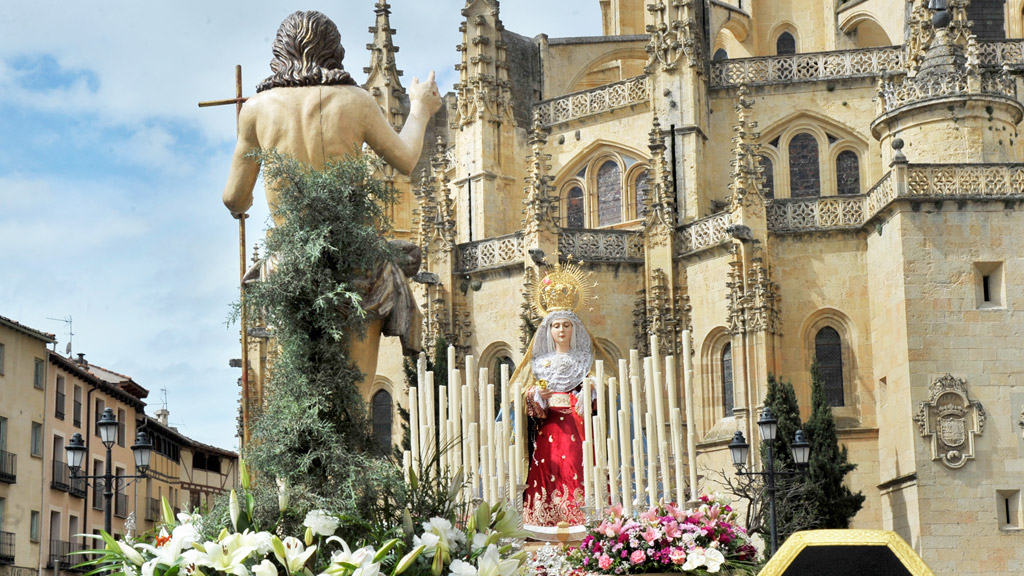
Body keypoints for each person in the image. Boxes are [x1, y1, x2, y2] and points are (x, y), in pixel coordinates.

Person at [222, 10, 442, 381]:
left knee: (300, 387)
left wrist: (248, 195)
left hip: (292, 267)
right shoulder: (355, 101)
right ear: (334, 52)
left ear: (281, 52)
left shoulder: (256, 109)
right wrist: (420, 108)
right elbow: (405, 159)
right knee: (357, 393)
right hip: (357, 266)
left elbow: (234, 198)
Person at [510, 260, 610, 540]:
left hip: (578, 428)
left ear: (574, 329)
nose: (561, 330)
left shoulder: (585, 360)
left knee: (579, 466)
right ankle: (546, 522)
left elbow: (603, 387)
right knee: (549, 467)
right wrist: (535, 396)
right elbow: (520, 395)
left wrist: (590, 389)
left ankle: (583, 518)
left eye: (566, 325)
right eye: (556, 326)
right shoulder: (538, 363)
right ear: (549, 330)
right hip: (549, 429)